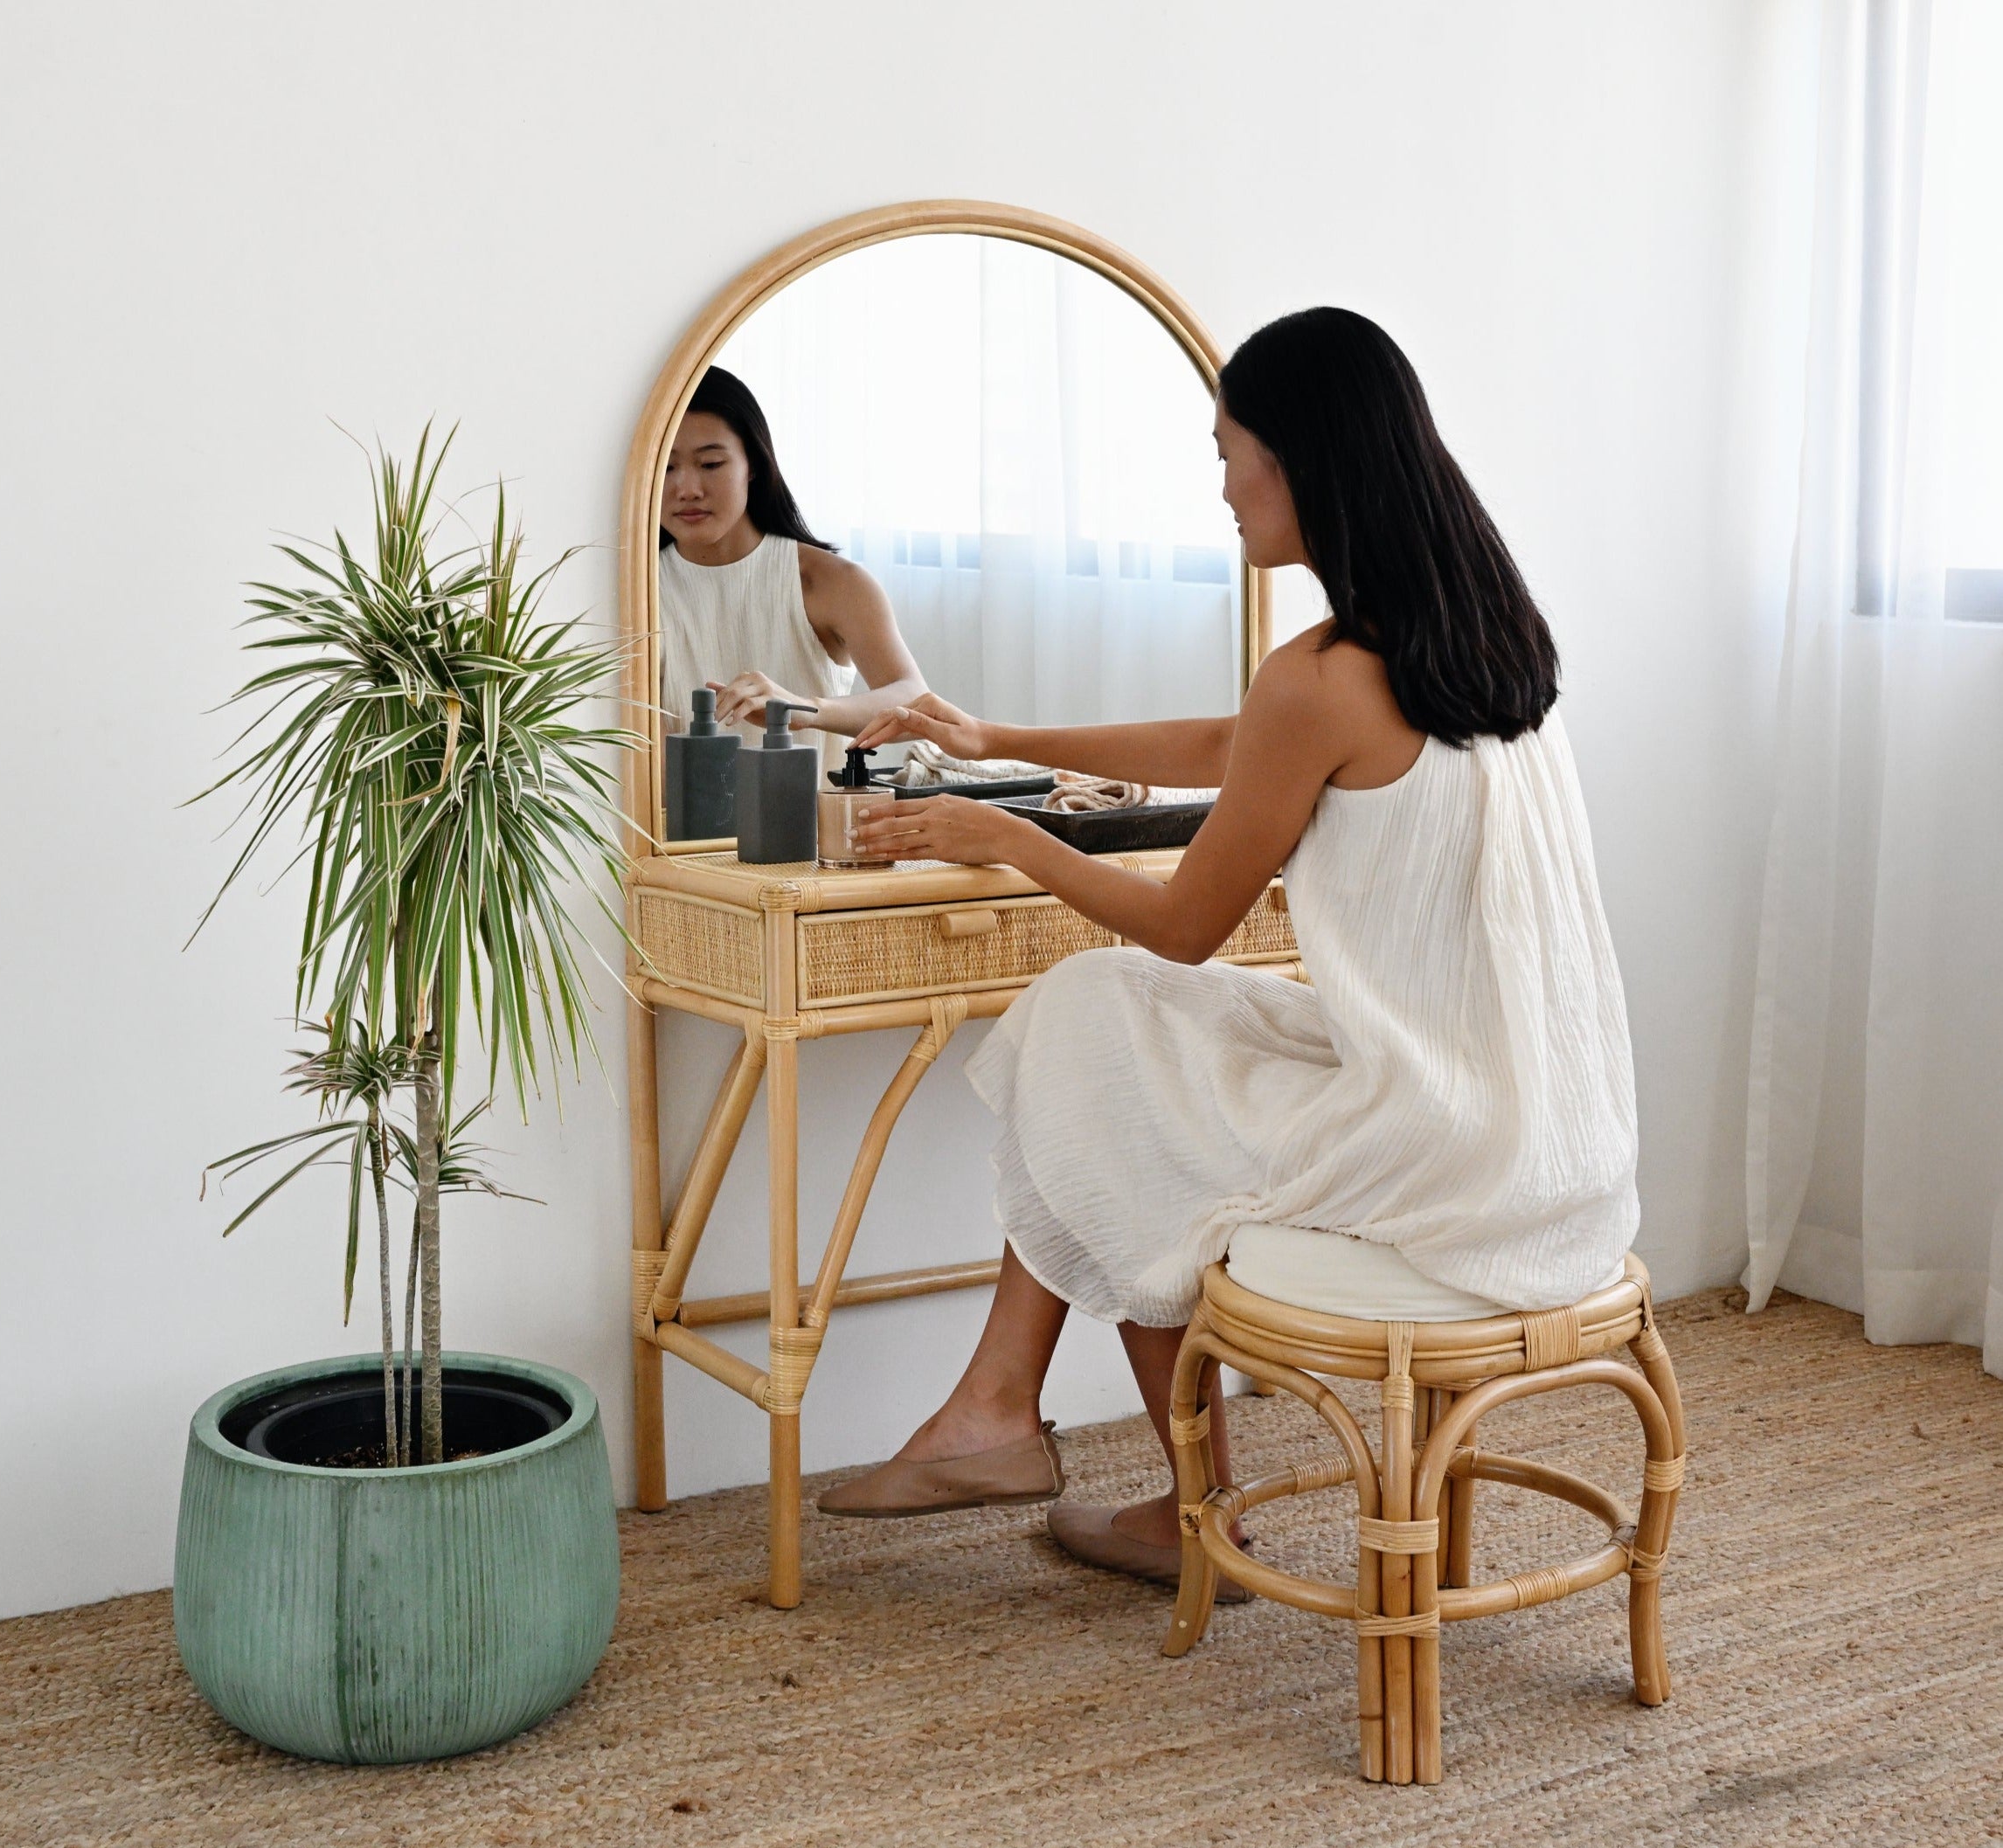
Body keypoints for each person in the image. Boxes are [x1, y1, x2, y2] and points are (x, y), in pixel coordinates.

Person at [819, 308, 1639, 1602]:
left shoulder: (1316, 674)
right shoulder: (1480, 632)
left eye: (1225, 451)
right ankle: (1006, 1418)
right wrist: (996, 733)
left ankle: (1153, 1489)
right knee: (1112, 1032)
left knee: (1100, 1035)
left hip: (1435, 1154)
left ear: (1296, 458)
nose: (1217, 485)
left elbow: (1183, 923)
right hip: (1547, 1136)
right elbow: (1234, 741)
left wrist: (1000, 831)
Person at [658, 367, 925, 753]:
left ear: (754, 465)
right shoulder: (635, 590)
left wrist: (802, 710)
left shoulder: (827, 582)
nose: (687, 489)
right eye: (666, 467)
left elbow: (915, 703)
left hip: (814, 814)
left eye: (711, 464)